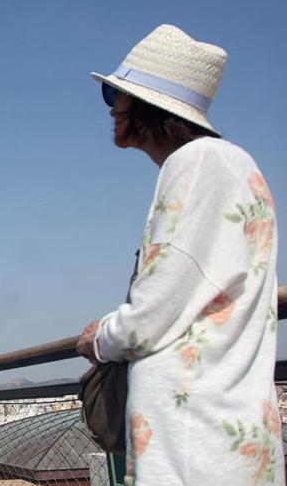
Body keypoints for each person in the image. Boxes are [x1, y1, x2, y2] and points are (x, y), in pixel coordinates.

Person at [76, 25, 282, 485]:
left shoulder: (197, 164)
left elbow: (154, 311)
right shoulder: (235, 166)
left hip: (193, 439)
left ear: (149, 105)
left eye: (115, 95)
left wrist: (98, 338)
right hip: (225, 429)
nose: (111, 108)